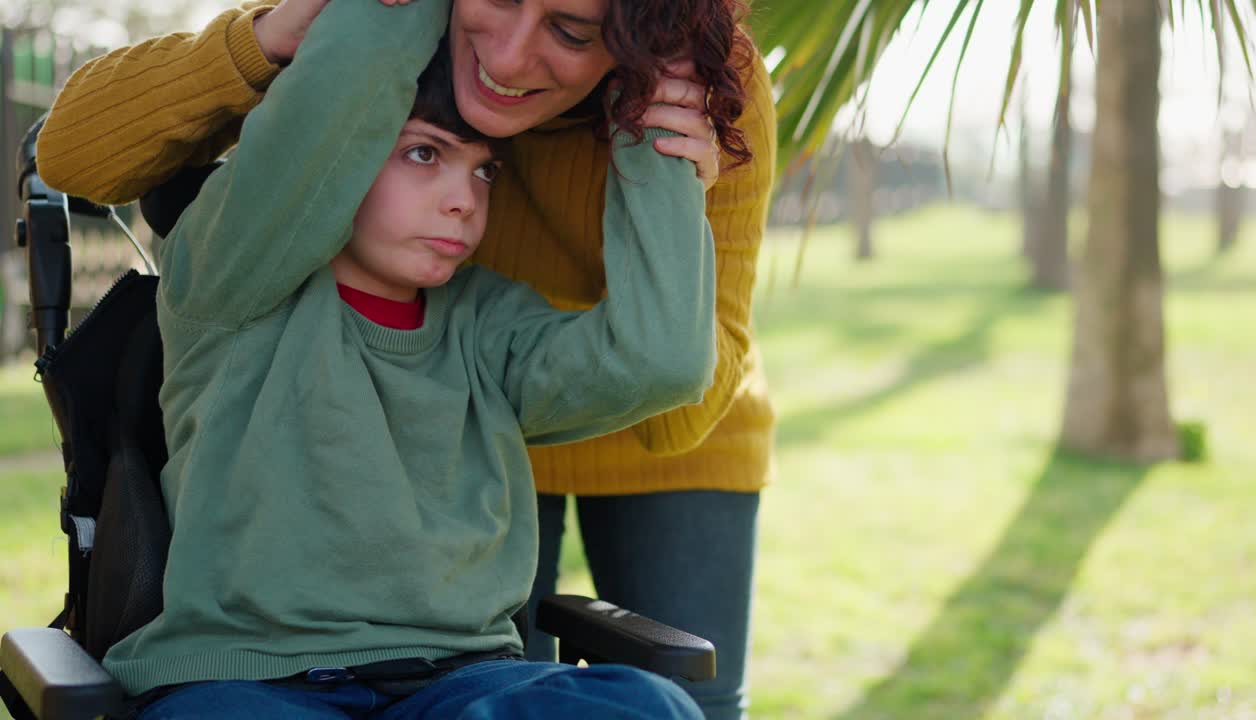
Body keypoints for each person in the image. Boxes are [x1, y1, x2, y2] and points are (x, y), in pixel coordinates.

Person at [36, 0, 776, 717]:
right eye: (424, 154)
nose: (464, 199)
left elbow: (664, 364)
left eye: (486, 171)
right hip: (249, 677)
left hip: (456, 674)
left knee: (647, 705)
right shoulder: (232, 277)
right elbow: (328, 106)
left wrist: (656, 145)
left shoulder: (486, 323)